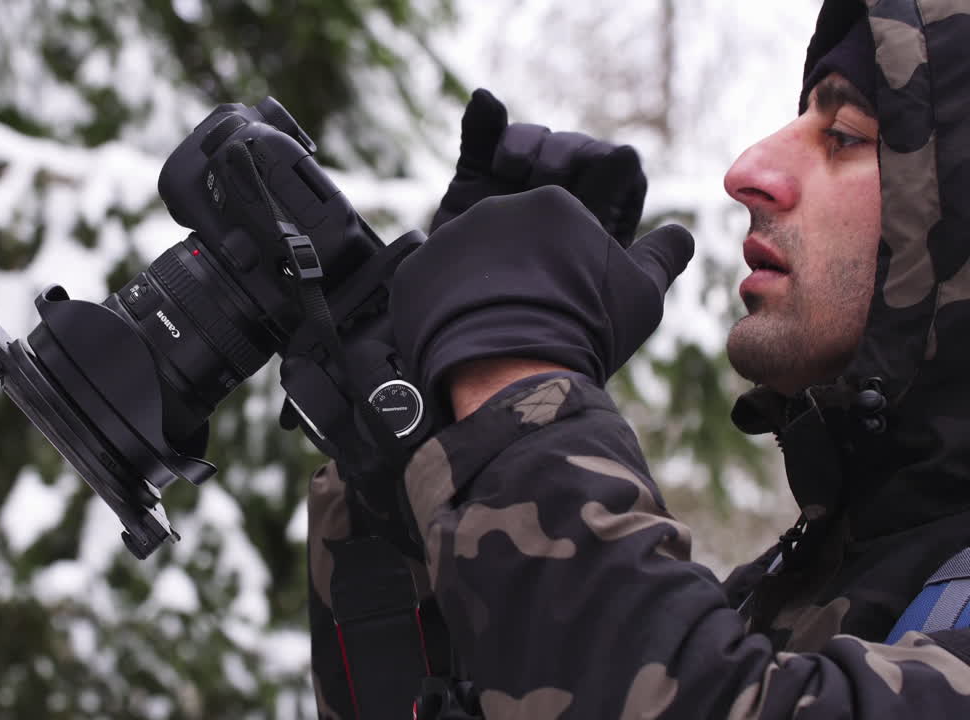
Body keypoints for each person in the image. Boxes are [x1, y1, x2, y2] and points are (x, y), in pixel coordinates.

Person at [308, 0, 970, 716]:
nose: (748, 170)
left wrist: (515, 382)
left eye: (843, 136)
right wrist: (428, 435)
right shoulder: (807, 579)